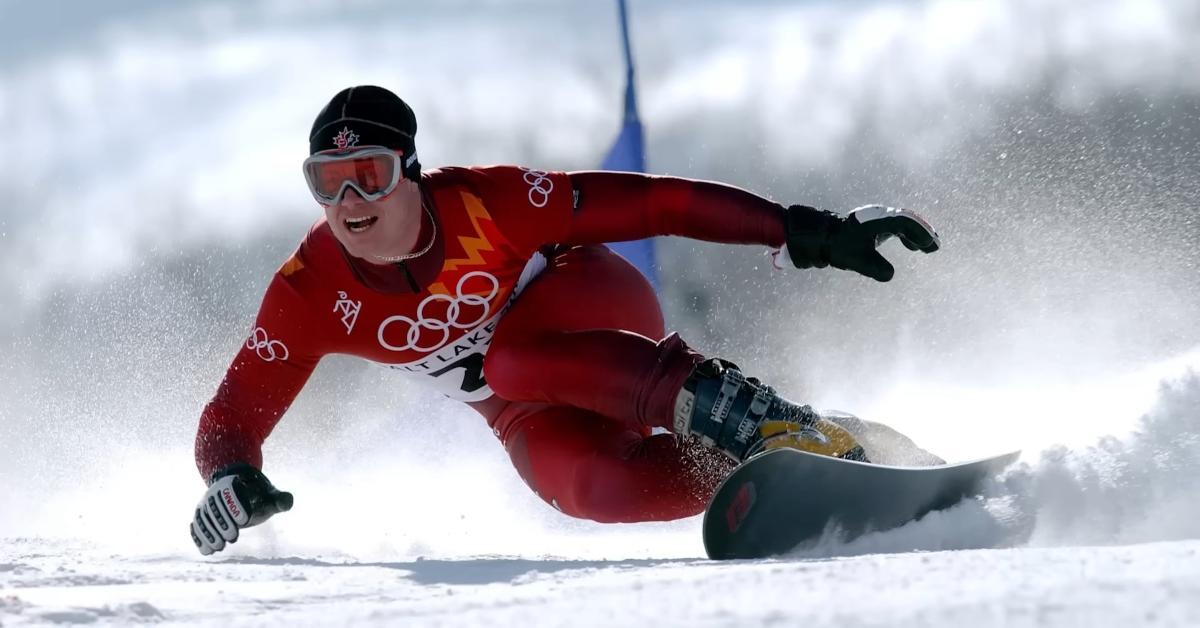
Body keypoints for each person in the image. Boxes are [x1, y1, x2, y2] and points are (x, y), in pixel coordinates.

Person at [189, 85, 942, 556]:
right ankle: (774, 460)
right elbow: (234, 411)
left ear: (411, 171)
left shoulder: (489, 201)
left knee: (512, 358)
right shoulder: (308, 290)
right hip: (521, 404)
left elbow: (657, 203)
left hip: (594, 308)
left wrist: (801, 229)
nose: (350, 203)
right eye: (328, 183)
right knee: (589, 489)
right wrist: (230, 476)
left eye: (370, 176)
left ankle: (762, 421)